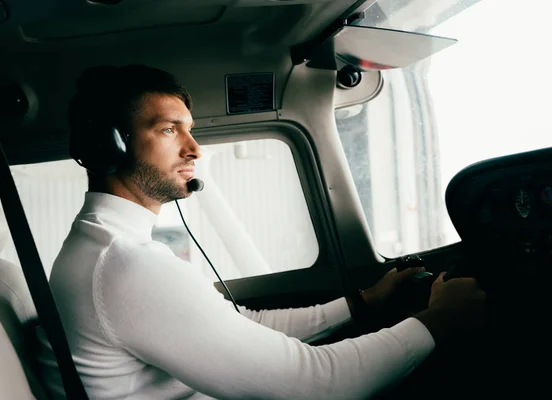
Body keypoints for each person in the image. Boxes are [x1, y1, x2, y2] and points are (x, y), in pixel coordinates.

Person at [37, 65, 487, 400]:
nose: (194, 149)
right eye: (168, 130)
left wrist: (360, 304)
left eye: (189, 131)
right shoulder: (123, 265)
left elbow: (240, 324)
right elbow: (314, 385)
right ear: (109, 146)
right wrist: (439, 321)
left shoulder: (109, 249)